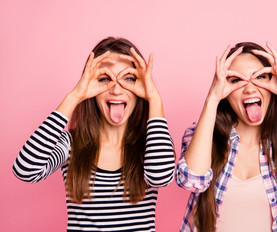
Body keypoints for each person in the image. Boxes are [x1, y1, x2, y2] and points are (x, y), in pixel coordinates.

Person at [176, 42, 277, 232]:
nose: (249, 89)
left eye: (260, 77)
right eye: (236, 80)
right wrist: (212, 98)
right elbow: (192, 180)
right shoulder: (203, 137)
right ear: (225, 92)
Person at [13, 37, 175, 232]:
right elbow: (25, 170)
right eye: (105, 79)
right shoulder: (71, 144)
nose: (116, 89)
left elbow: (161, 177)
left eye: (129, 78)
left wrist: (154, 98)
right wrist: (75, 96)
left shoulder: (153, 143)